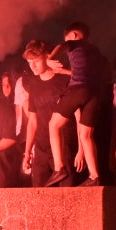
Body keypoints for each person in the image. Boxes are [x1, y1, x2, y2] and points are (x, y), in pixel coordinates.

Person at [47, 20, 113, 187]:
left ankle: (58, 167)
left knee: (53, 125)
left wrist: (49, 59)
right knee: (86, 135)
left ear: (74, 35)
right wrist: (65, 71)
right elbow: (92, 73)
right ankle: (94, 176)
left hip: (78, 90)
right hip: (95, 94)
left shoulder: (73, 42)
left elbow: (61, 46)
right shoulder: (96, 52)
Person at [20, 41, 70, 186]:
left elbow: (79, 115)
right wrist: (27, 152)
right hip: (41, 148)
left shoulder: (64, 80)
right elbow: (32, 121)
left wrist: (81, 149)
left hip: (64, 146)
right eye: (29, 62)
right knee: (40, 192)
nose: (32, 66)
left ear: (48, 57)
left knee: (67, 194)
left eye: (35, 61)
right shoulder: (33, 84)